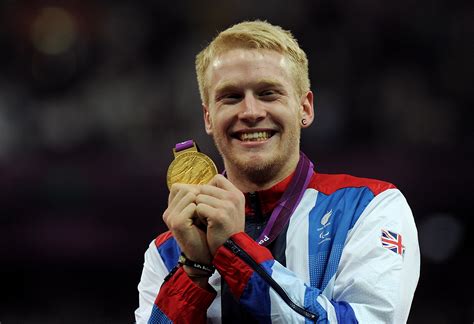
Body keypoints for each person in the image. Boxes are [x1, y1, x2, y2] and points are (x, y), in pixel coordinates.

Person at [135, 20, 420, 323]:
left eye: (268, 93)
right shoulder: (167, 250)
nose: (251, 112)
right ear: (208, 117)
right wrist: (193, 271)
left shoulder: (369, 207)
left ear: (305, 108)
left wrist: (235, 251)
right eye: (231, 97)